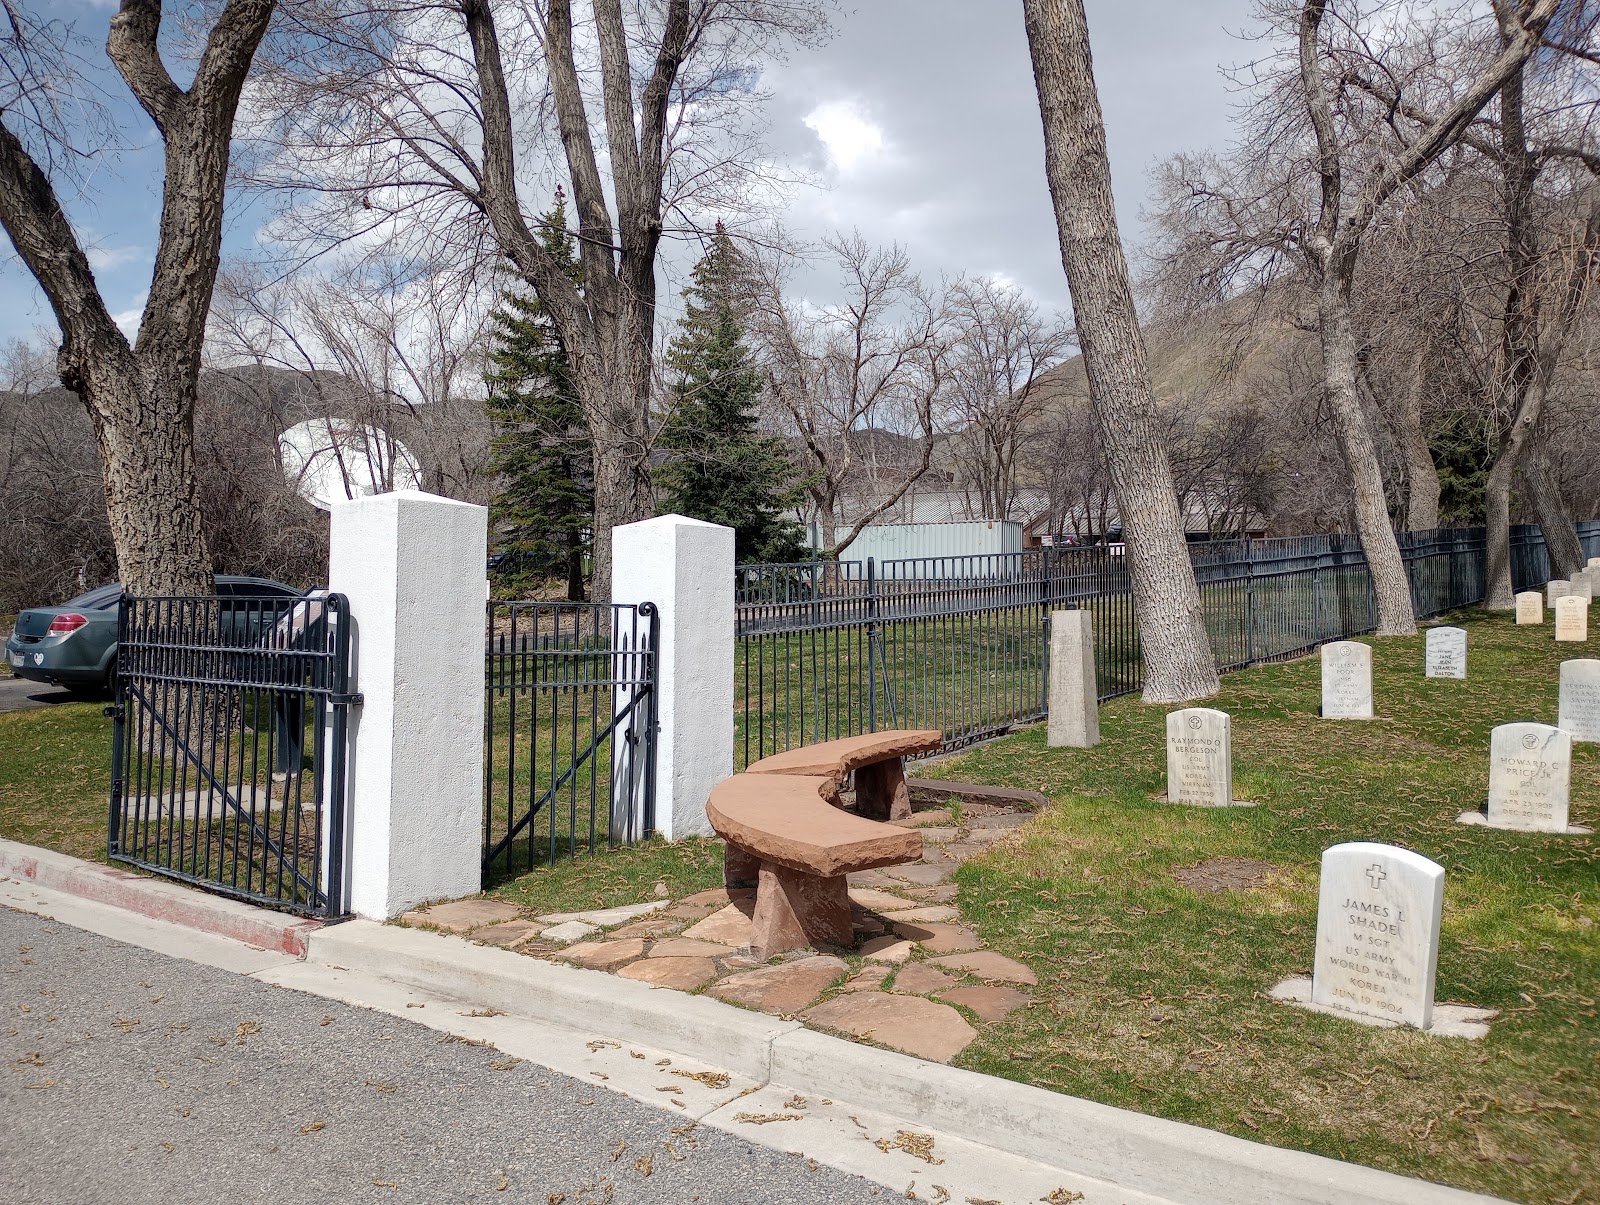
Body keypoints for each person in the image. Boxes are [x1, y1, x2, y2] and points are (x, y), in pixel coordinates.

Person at [266, 590, 328, 783]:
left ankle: (318, 785)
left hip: (302, 668)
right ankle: (287, 764)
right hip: (290, 672)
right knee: (287, 700)